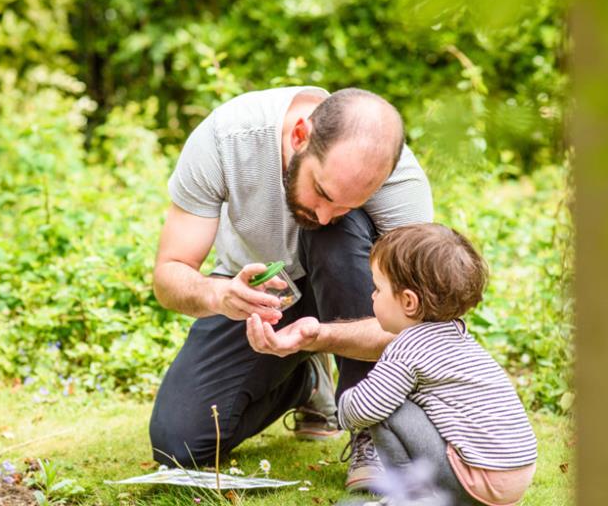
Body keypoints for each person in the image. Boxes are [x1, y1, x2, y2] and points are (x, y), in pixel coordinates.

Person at [149, 86, 434, 490]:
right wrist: (221, 294)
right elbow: (169, 275)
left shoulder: (397, 179)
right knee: (177, 446)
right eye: (322, 192)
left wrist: (320, 336)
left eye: (347, 203)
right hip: (258, 296)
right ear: (300, 135)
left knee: (334, 235)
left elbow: (418, 329)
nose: (323, 213)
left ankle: (370, 426)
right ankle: (306, 383)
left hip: (355, 295)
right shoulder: (226, 139)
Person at [338, 224, 538, 505]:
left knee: (385, 408)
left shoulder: (408, 347)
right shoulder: (457, 336)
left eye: (377, 288)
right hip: (514, 476)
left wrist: (344, 408)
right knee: (394, 397)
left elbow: (364, 409)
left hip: (479, 480)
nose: (372, 295)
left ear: (408, 301)